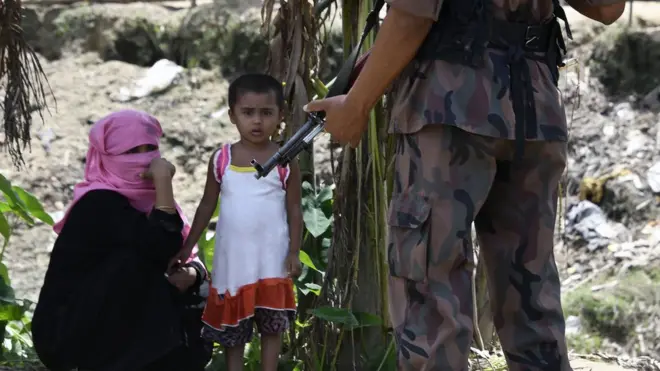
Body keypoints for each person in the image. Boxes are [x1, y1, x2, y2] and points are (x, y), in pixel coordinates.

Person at [303, 0, 627, 370]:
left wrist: (357, 104)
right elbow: (607, 8)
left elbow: (412, 14)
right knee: (530, 291)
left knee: (430, 293)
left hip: (450, 106)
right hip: (533, 110)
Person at [31, 109, 213, 371]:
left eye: (149, 148)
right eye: (131, 152)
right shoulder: (97, 203)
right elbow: (160, 247)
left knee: (199, 283)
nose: (142, 160)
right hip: (69, 337)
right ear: (106, 157)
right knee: (134, 262)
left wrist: (194, 274)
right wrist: (163, 182)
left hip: (118, 328)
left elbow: (183, 252)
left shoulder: (149, 203)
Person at [176, 73, 303, 371]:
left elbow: (295, 209)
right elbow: (207, 205)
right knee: (234, 333)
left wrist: (294, 252)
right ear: (233, 115)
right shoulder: (221, 159)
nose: (257, 121)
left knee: (272, 327)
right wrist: (188, 247)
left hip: (271, 261)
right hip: (233, 263)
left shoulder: (285, 160)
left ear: (280, 116)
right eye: (248, 113)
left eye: (266, 113)